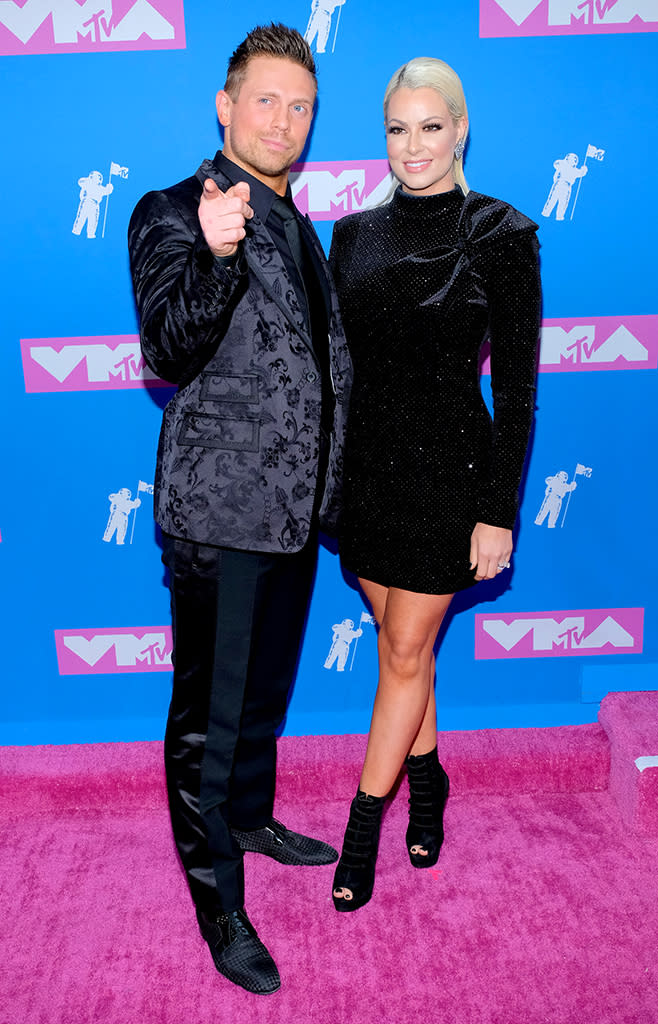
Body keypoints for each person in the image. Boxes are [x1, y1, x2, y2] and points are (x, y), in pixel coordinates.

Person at [127, 24, 351, 994]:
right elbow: (169, 349)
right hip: (220, 516)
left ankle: (249, 818)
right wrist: (215, 257)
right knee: (206, 724)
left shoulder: (297, 220)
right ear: (225, 106)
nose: (284, 121)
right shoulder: (174, 210)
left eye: (299, 105)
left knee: (261, 695)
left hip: (295, 513)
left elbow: (316, 370)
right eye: (266, 100)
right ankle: (219, 900)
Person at [328, 57, 542, 911]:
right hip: (370, 474)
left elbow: (518, 388)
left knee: (406, 653)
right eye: (396, 128)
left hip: (452, 474)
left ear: (460, 129)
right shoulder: (352, 235)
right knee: (399, 652)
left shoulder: (502, 233)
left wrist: (498, 514)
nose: (412, 146)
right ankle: (430, 782)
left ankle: (361, 828)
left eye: (429, 126)